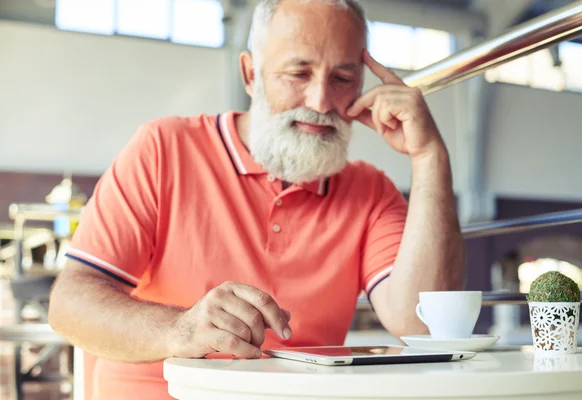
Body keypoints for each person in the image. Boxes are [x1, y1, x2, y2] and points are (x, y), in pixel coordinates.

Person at [48, 0, 464, 398]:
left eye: (342, 78)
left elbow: (423, 326)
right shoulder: (163, 148)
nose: (320, 101)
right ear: (251, 74)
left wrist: (430, 157)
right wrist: (183, 329)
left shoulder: (370, 191)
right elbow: (70, 304)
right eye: (299, 73)